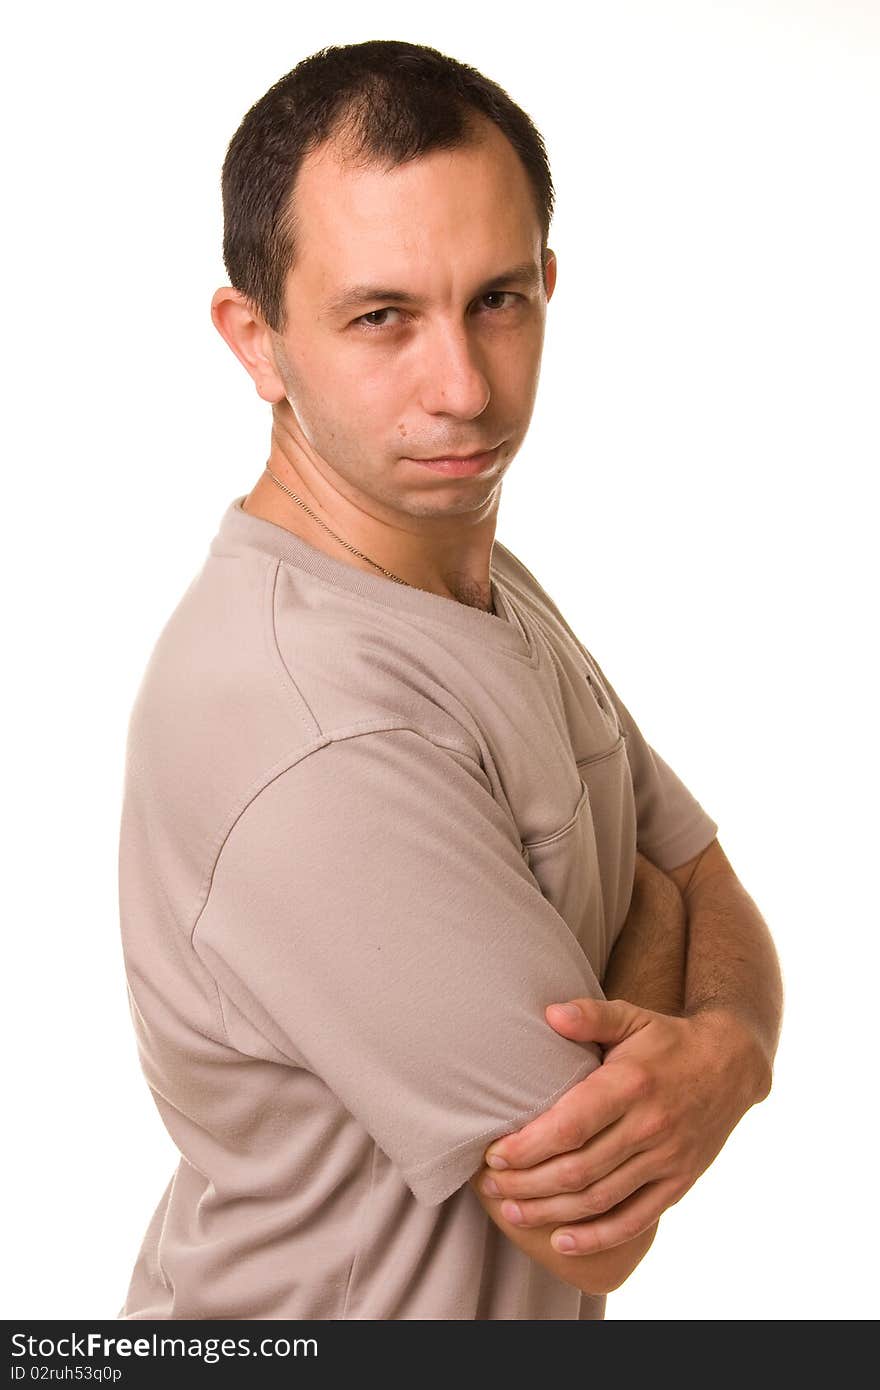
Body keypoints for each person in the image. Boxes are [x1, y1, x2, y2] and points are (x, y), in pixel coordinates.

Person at [116, 38, 783, 1321]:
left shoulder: (471, 574)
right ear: (255, 339)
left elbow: (705, 872)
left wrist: (730, 1055)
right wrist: (673, 947)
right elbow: (592, 1232)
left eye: (496, 300)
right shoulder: (312, 724)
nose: (465, 390)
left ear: (547, 284)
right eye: (382, 318)